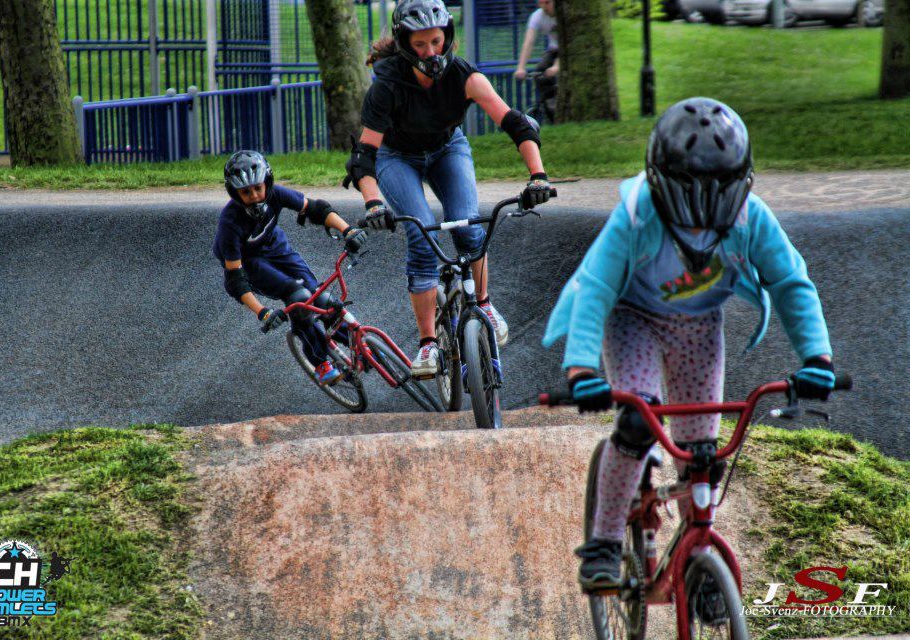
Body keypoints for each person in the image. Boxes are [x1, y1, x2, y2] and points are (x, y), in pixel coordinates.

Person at [542, 98, 835, 607]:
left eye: (718, 194)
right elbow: (594, 287)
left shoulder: (751, 217)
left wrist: (817, 359)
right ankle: (605, 542)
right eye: (689, 196)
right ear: (661, 183)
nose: (702, 216)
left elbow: (791, 282)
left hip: (699, 327)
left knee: (703, 451)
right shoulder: (637, 216)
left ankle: (700, 553)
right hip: (632, 318)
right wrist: (582, 368)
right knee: (638, 422)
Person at [347, 0, 552, 377]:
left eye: (436, 42)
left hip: (447, 149)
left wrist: (538, 176)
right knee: (421, 234)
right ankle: (427, 344)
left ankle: (485, 304)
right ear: (405, 44)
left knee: (468, 225)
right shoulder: (387, 85)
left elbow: (517, 125)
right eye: (421, 44)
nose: (431, 52)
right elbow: (364, 156)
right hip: (397, 157)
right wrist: (373, 203)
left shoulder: (466, 77)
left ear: (448, 38)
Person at [214, 150, 368, 385]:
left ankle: (357, 346)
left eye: (258, 188)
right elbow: (235, 280)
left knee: (321, 298)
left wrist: (348, 230)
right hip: (250, 261)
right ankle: (321, 362)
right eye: (246, 192)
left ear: (267, 182)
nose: (255, 196)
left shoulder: (275, 194)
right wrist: (262, 312)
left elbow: (316, 209)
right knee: (300, 299)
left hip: (276, 246)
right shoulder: (230, 223)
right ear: (235, 194)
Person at [513, 0, 558, 119]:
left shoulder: (564, 15)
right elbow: (529, 42)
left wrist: (557, 66)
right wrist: (521, 67)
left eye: (547, 2)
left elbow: (568, 44)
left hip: (569, 50)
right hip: (553, 50)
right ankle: (551, 109)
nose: (544, 7)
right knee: (540, 71)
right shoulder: (537, 16)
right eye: (541, 3)